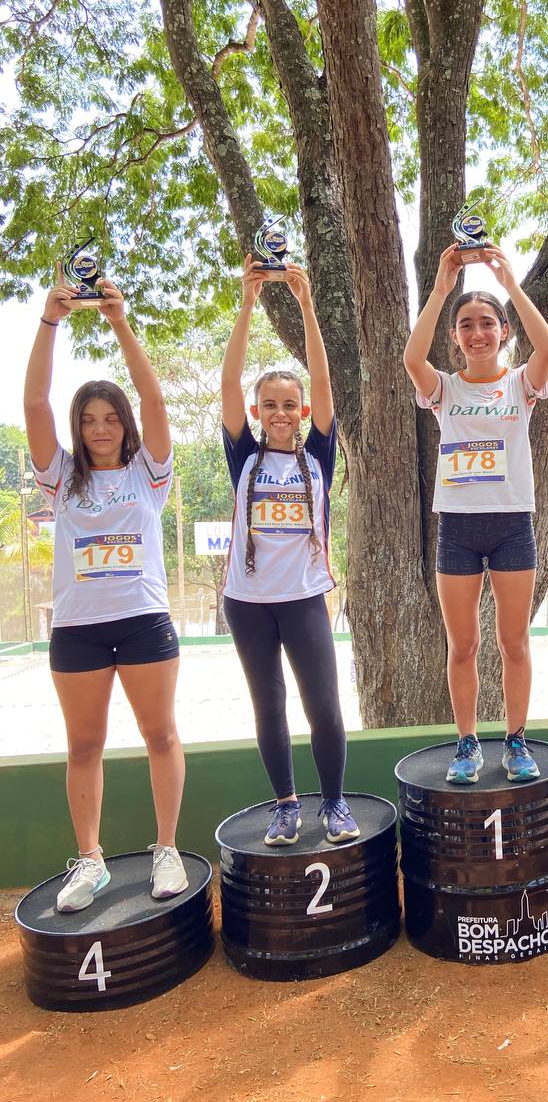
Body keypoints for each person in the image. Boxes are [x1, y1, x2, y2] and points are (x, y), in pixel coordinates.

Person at [24, 271, 188, 913]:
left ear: (125, 424)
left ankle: (166, 850)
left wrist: (119, 321)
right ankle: (89, 860)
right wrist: (49, 321)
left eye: (111, 418)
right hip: (78, 631)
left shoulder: (150, 473)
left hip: (144, 621)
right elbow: (35, 405)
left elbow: (155, 400)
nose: (100, 428)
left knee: (161, 736)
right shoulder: (61, 478)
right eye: (89, 420)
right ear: (78, 427)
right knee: (84, 746)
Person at [403, 244, 548, 783]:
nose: (477, 333)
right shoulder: (443, 388)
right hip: (458, 528)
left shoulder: (520, 384)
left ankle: (516, 741)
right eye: (466, 325)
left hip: (512, 523)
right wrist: (441, 289)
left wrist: (510, 283)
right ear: (454, 336)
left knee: (513, 642)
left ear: (504, 331)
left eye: (488, 323)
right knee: (463, 645)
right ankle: (467, 744)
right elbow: (412, 360)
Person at [221, 254, 357, 847]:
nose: (280, 413)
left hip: (304, 599)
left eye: (289, 405)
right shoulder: (243, 457)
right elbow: (229, 382)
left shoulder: (318, 457)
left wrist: (306, 303)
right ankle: (285, 805)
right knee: (268, 705)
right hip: (247, 603)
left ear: (302, 412)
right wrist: (247, 302)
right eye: (269, 405)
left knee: (323, 707)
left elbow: (324, 383)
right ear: (257, 413)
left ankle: (334, 803)